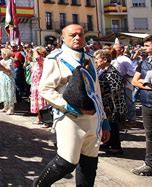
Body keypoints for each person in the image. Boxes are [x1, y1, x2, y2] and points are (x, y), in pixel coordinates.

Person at [34, 24, 110, 187]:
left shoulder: (89, 59)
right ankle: (38, 185)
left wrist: (104, 120)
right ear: (63, 38)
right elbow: (45, 89)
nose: (77, 38)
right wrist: (68, 107)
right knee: (66, 162)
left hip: (92, 119)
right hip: (70, 118)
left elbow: (96, 91)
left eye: (80, 35)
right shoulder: (55, 58)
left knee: (89, 164)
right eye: (72, 35)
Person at [94, 49, 127, 155]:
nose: (95, 61)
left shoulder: (112, 72)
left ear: (104, 59)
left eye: (97, 59)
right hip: (106, 104)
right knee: (107, 125)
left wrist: (103, 94)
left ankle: (116, 148)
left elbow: (115, 90)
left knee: (113, 126)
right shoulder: (103, 70)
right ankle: (108, 142)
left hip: (112, 105)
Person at [131, 35, 152, 176]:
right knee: (150, 135)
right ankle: (150, 164)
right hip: (147, 103)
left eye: (147, 45)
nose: (144, 48)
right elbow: (134, 81)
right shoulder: (144, 61)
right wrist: (148, 87)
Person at [112, 42, 136, 125]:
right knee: (122, 102)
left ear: (121, 49)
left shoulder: (125, 59)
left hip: (126, 84)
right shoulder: (115, 59)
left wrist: (124, 76)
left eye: (115, 48)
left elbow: (132, 71)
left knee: (129, 101)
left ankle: (132, 120)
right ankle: (125, 118)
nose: (113, 50)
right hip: (118, 84)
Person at [30, 47, 48, 124]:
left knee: (43, 103)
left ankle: (46, 121)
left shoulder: (43, 60)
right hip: (35, 85)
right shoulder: (35, 63)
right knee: (37, 103)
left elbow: (39, 59)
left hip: (41, 84)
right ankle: (38, 118)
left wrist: (36, 51)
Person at [0, 48, 16, 115]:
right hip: (3, 78)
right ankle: (6, 107)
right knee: (4, 92)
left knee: (10, 93)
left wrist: (0, 65)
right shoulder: (1, 60)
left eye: (2, 53)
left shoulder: (10, 60)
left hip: (8, 78)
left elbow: (8, 71)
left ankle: (11, 108)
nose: (1, 54)